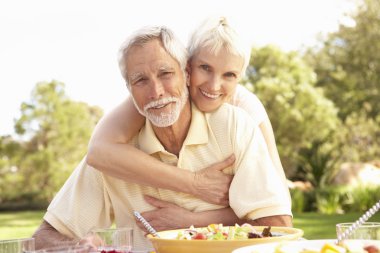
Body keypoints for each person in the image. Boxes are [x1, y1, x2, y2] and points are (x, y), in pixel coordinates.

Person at [32, 25, 292, 250]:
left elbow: (278, 225)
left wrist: (189, 223)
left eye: (166, 74)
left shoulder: (235, 125)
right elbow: (43, 238)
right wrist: (78, 249)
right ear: (129, 90)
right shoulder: (112, 159)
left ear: (187, 75)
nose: (156, 91)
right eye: (140, 80)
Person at [86, 16, 288, 210]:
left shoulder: (243, 107)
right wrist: (194, 183)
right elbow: (99, 151)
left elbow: (276, 197)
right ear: (187, 67)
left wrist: (187, 222)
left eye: (229, 75)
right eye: (205, 68)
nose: (214, 85)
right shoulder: (159, 97)